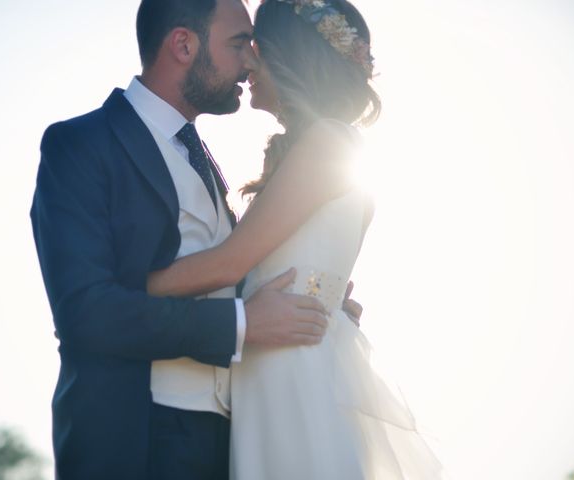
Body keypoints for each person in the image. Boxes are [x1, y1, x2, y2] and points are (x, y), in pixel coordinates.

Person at [30, 0, 363, 478]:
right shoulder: (80, 145)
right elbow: (84, 312)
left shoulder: (207, 161)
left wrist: (313, 294)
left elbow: (224, 269)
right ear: (183, 45)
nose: (250, 60)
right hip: (136, 436)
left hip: (232, 438)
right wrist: (241, 324)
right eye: (236, 43)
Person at [146, 0, 444, 478]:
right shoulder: (325, 145)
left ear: (290, 57)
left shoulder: (329, 143)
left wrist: (127, 289)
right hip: (280, 362)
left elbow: (230, 264)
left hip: (291, 370)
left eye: (255, 49)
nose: (246, 63)